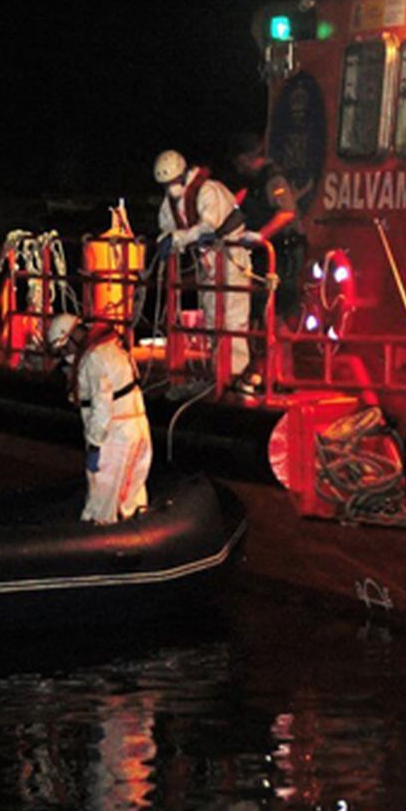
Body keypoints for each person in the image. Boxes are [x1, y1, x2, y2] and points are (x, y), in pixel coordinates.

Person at [154, 149, 255, 391]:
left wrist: (177, 239)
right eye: (166, 184)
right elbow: (167, 225)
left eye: (173, 182)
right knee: (212, 317)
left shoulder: (209, 191)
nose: (171, 188)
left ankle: (236, 374)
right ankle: (218, 370)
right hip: (208, 263)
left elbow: (208, 227)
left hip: (231, 260)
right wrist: (165, 240)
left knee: (232, 318)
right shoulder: (172, 202)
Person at [47, 313, 151, 525]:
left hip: (114, 435)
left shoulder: (92, 359)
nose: (66, 355)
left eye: (65, 349)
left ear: (70, 338)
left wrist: (95, 445)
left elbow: (101, 406)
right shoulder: (114, 346)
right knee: (132, 491)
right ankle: (135, 527)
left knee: (102, 497)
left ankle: (97, 535)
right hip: (138, 425)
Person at [230, 133, 304, 324]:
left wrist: (260, 235)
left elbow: (286, 212)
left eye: (240, 163)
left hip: (285, 252)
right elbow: (240, 210)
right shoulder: (253, 183)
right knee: (264, 305)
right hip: (269, 253)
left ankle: (282, 352)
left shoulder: (273, 179)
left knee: (279, 308)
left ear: (246, 158)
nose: (238, 169)